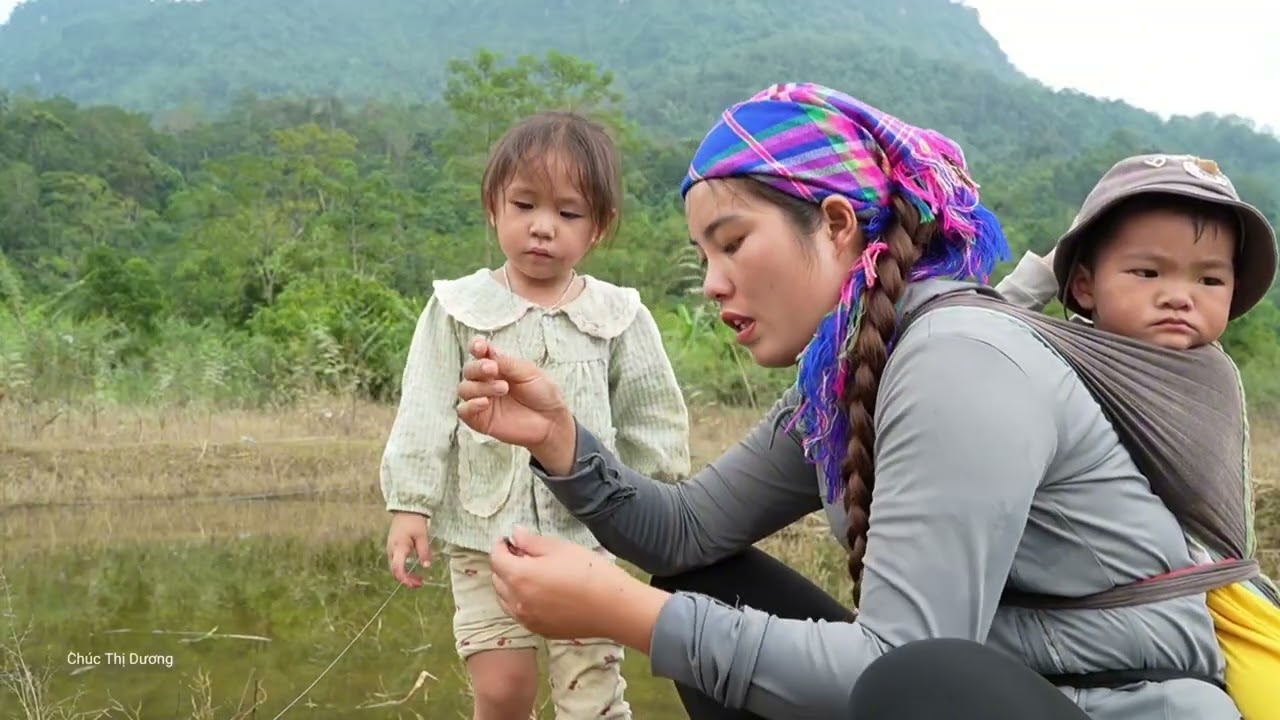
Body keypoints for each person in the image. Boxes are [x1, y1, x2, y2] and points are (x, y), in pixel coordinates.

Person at [454, 84, 1276, 719]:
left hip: (1122, 705)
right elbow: (685, 530)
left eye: (734, 243)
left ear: (839, 224)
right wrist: (561, 441)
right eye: (703, 253)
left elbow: (903, 663)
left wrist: (633, 615)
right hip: (1006, 690)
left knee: (919, 678)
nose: (712, 282)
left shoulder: (957, 361)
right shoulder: (846, 373)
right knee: (707, 584)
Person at [380, 110, 691, 720]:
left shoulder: (618, 315)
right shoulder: (457, 309)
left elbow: (654, 419)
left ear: (598, 227)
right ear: (493, 207)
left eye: (568, 213)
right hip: (481, 535)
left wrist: (665, 520)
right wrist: (408, 505)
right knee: (503, 690)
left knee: (593, 696)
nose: (543, 228)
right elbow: (422, 408)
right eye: (524, 205)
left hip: (587, 542)